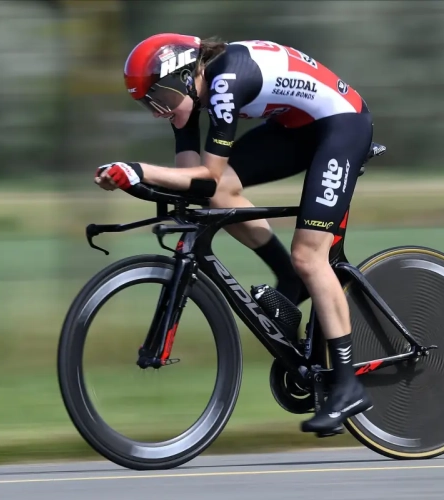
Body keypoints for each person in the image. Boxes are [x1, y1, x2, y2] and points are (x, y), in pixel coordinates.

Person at [95, 33, 374, 435]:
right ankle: (290, 280)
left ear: (182, 75)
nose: (157, 110)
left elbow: (203, 176)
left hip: (341, 126)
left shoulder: (224, 82)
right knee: (221, 195)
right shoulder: (188, 95)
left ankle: (348, 385)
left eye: (157, 96)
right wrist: (129, 181)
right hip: (298, 127)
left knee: (310, 255)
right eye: (146, 103)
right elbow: (192, 185)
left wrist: (137, 169)